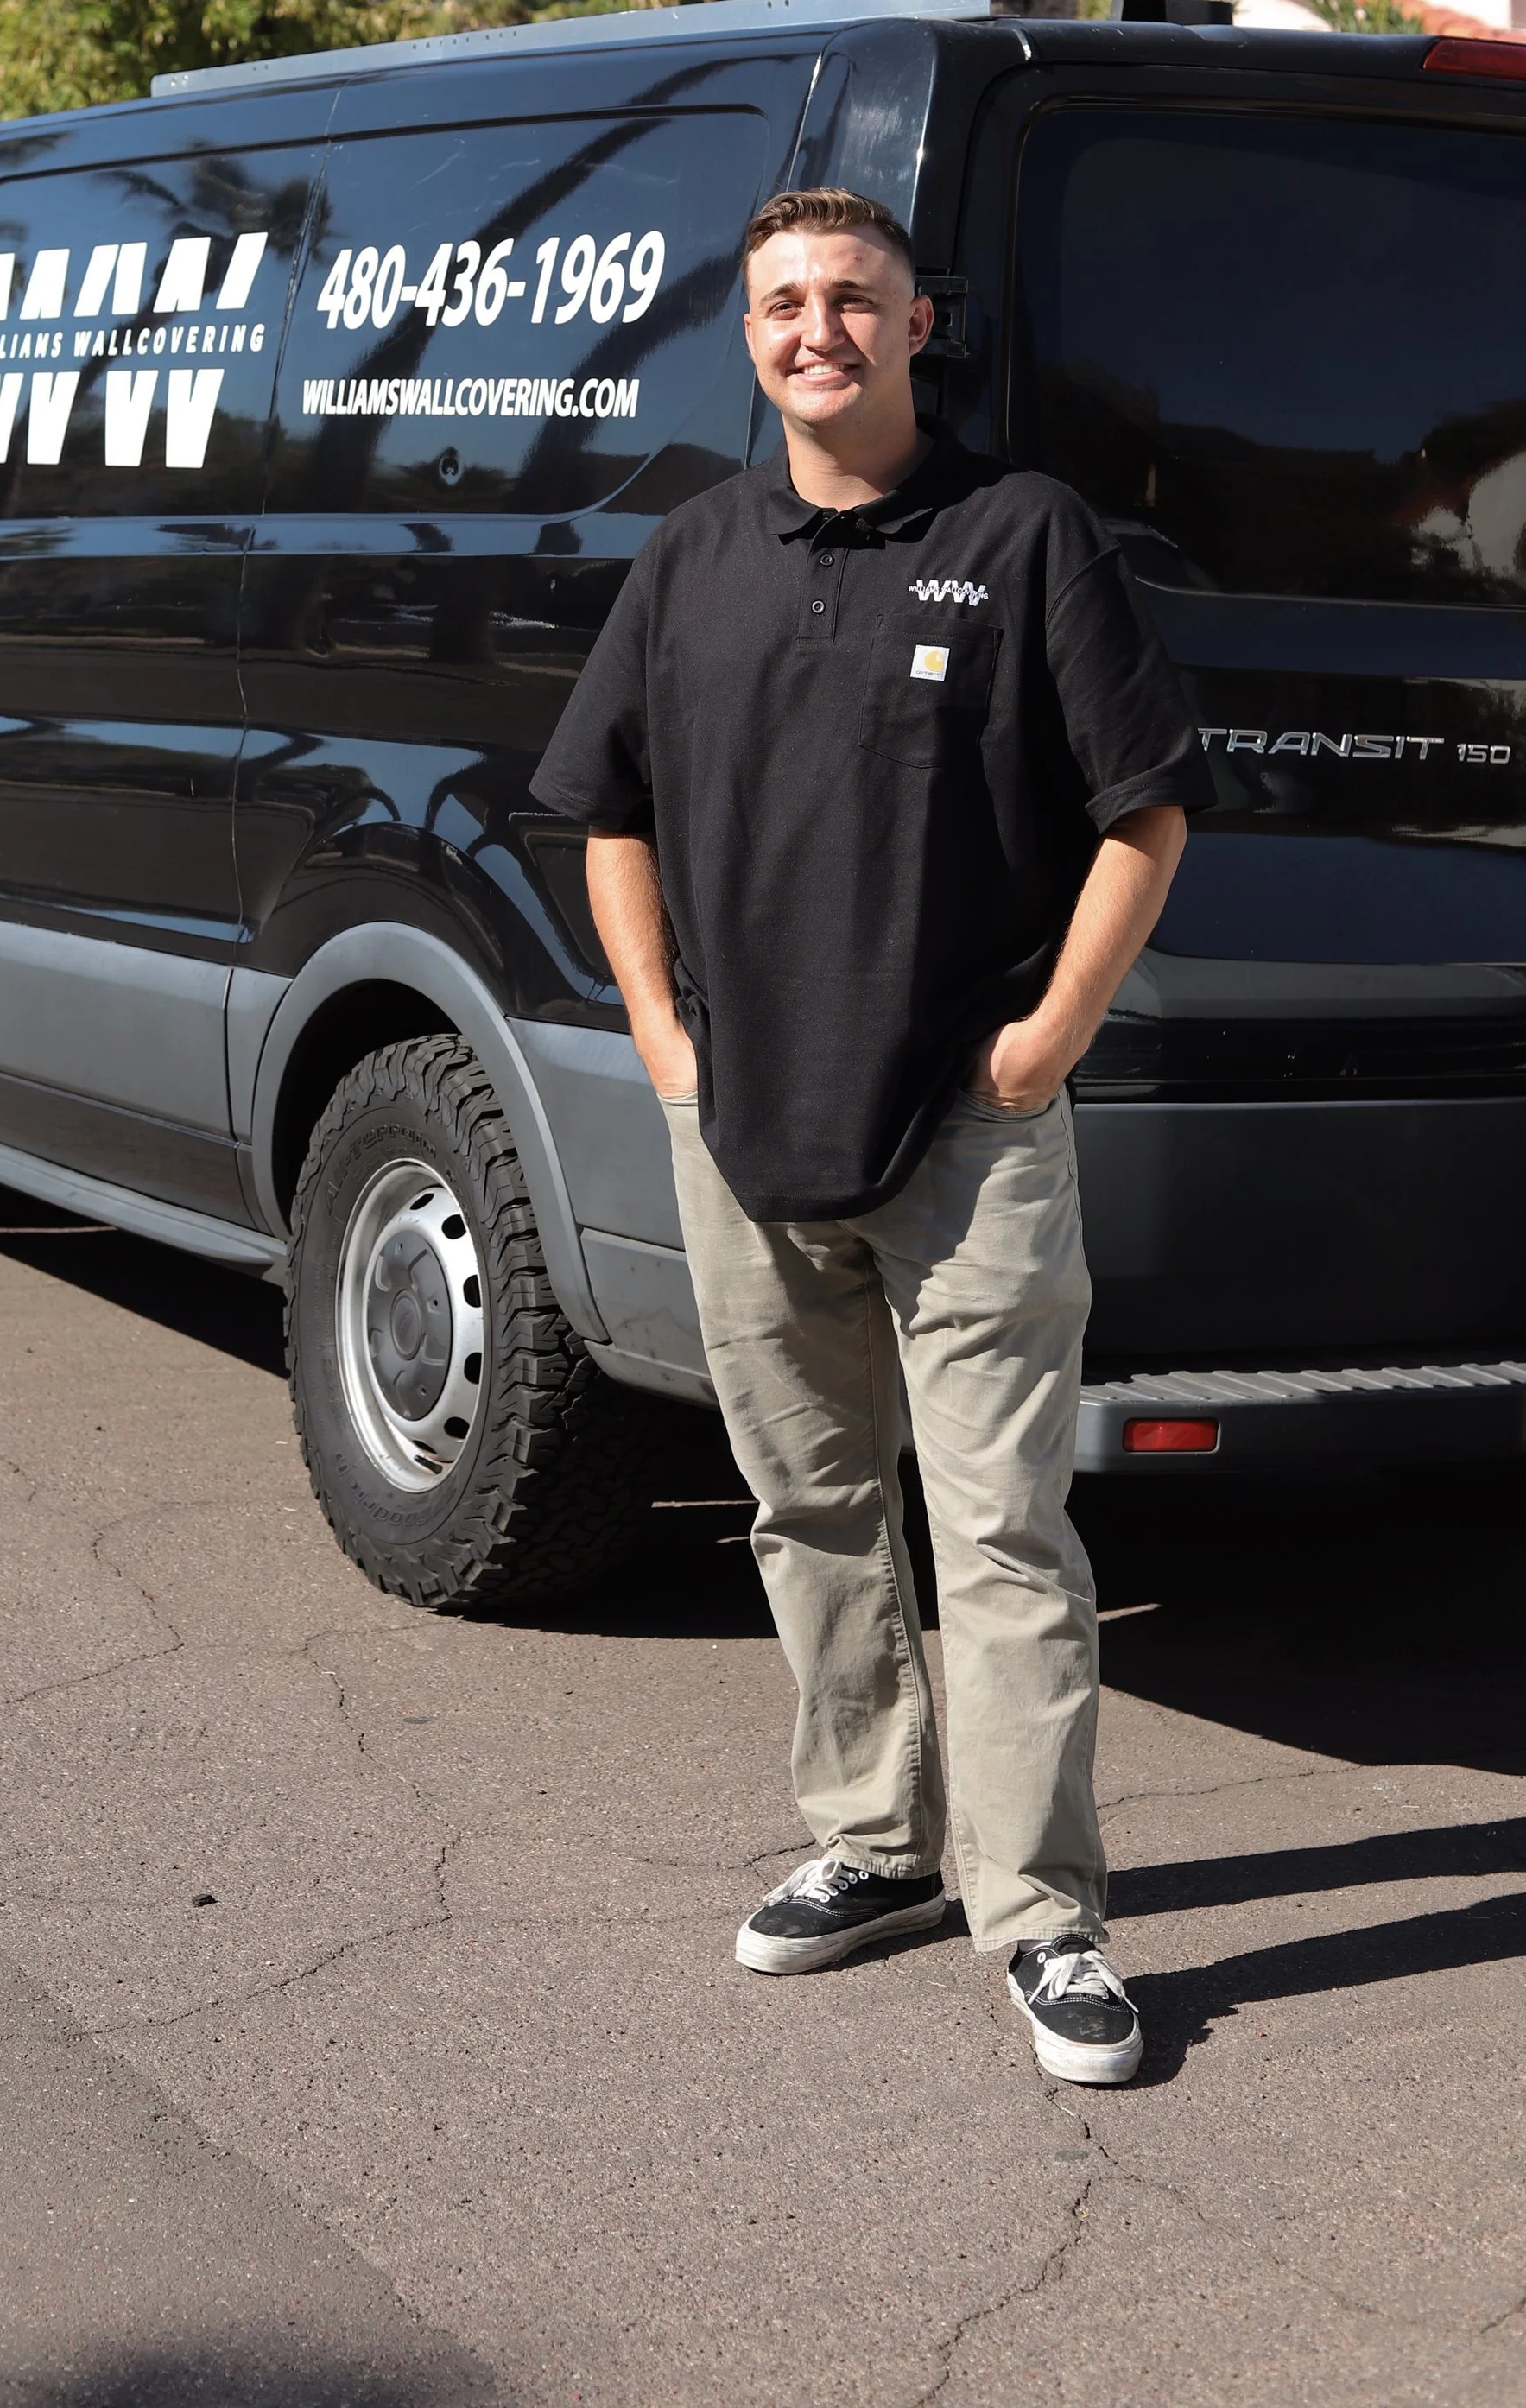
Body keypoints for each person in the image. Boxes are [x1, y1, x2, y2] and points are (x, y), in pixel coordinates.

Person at [530, 186, 1212, 2087]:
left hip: (965, 1127)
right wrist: (663, 1039)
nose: (813, 327)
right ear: (743, 335)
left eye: (852, 298)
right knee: (810, 1508)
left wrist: (1045, 1039)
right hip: (741, 1123)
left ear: (920, 327)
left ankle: (1042, 1916)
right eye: (779, 302)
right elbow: (606, 808)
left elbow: (1140, 812)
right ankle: (871, 1842)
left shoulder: (1018, 538)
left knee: (998, 1529)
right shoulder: (688, 556)